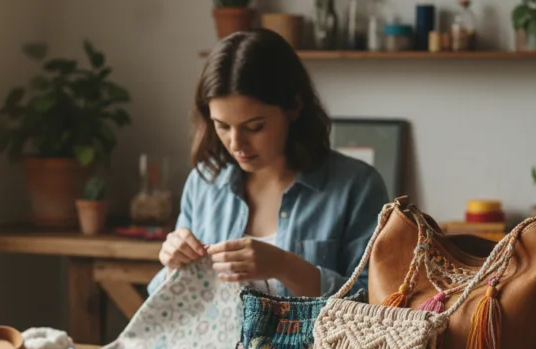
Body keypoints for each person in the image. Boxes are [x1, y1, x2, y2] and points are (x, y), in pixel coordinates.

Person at [147, 29, 389, 299]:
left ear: (294, 107)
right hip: (216, 343)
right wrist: (172, 266)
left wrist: (284, 266)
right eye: (222, 126)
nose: (236, 143)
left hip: (320, 343)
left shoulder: (356, 186)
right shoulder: (203, 182)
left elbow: (375, 300)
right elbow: (168, 306)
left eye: (254, 127)